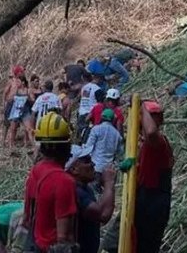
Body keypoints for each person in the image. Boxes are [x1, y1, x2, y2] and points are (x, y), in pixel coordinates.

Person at [119, 100, 174, 253]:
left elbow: (150, 132)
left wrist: (141, 105)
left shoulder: (158, 142)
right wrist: (134, 166)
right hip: (145, 199)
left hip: (153, 203)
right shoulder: (146, 145)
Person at [23, 112, 78, 252]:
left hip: (33, 244)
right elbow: (63, 238)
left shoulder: (36, 169)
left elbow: (27, 218)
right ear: (66, 147)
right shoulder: (64, 181)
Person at [66, 145, 116, 253]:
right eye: (87, 161)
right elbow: (103, 215)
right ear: (74, 169)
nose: (93, 164)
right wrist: (109, 182)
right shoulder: (76, 192)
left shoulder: (86, 188)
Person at [84, 109, 123, 186]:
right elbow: (120, 154)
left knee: (94, 191)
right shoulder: (117, 135)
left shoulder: (96, 129)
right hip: (109, 170)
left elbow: (88, 147)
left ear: (102, 117)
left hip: (96, 167)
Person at [7, 76, 34, 150]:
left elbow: (33, 100)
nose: (17, 83)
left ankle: (33, 145)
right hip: (16, 111)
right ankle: (11, 146)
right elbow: (9, 99)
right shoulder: (16, 90)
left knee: (29, 129)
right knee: (13, 128)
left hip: (25, 111)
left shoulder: (28, 90)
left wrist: (28, 98)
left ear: (23, 82)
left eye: (18, 82)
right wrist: (12, 96)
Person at [3, 66, 25, 143]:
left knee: (15, 123)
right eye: (21, 72)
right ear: (18, 73)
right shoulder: (11, 81)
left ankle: (11, 141)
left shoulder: (20, 82)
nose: (22, 73)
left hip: (16, 104)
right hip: (10, 103)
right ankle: (3, 140)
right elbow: (5, 92)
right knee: (7, 124)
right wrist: (4, 103)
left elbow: (21, 92)